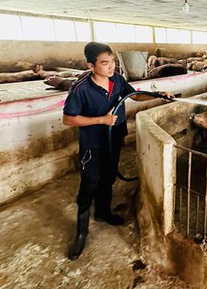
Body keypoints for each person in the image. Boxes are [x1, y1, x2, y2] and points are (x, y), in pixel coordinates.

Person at [62, 42, 174, 260]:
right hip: (93, 144)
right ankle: (81, 232)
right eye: (105, 63)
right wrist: (101, 120)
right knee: (89, 184)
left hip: (115, 138)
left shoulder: (117, 80)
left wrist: (157, 94)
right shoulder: (81, 88)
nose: (111, 66)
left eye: (112, 61)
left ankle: (103, 212)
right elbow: (68, 118)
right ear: (91, 65)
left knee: (109, 177)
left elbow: (134, 95)